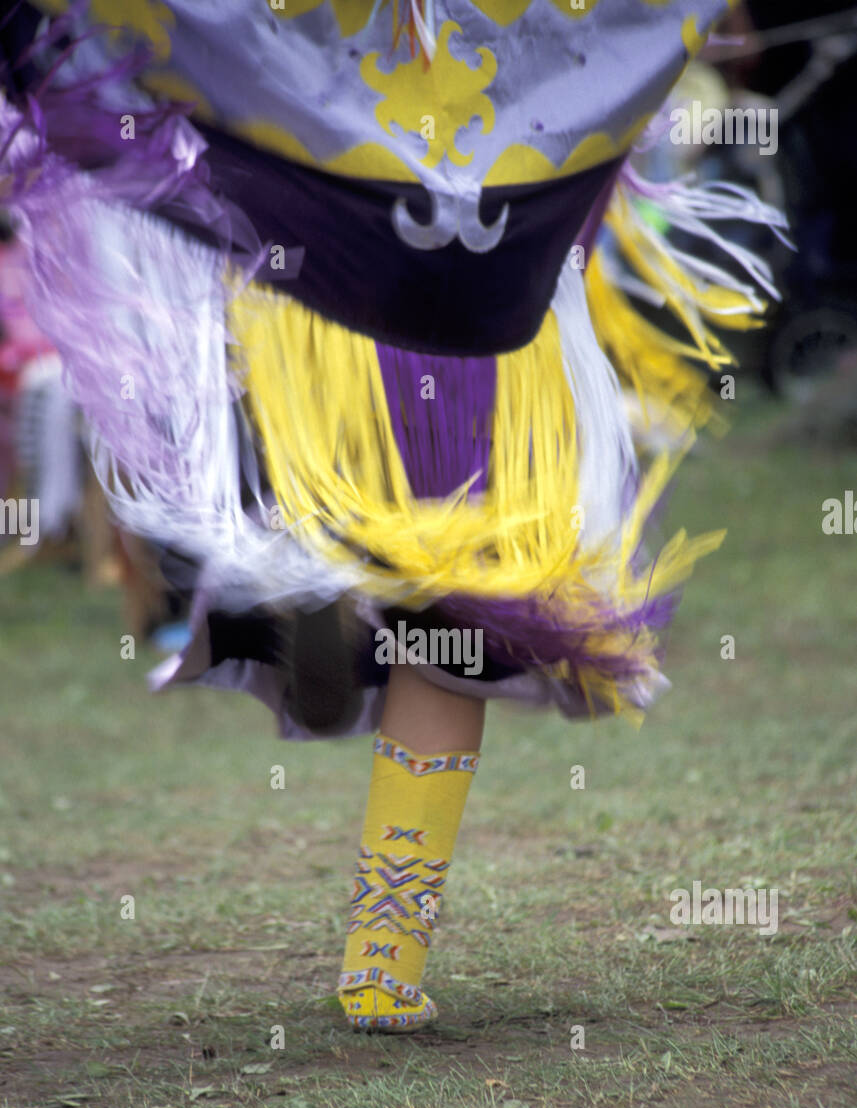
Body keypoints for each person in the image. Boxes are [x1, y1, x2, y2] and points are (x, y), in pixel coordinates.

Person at [0, 0, 785, 1031]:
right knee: (457, 614)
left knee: (354, 576)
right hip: (484, 292)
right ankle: (382, 956)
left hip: (318, 276)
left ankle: (312, 608)